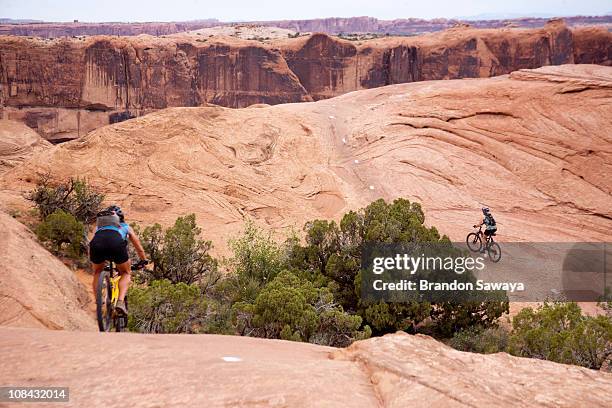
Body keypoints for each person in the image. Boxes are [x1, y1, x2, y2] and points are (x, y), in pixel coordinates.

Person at [89, 205, 146, 315]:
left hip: (97, 245)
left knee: (97, 272)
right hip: (116, 245)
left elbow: (90, 243)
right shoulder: (126, 227)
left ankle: (98, 301)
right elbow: (138, 246)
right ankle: (120, 302)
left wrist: (92, 259)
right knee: (126, 272)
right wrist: (144, 260)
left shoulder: (98, 228)